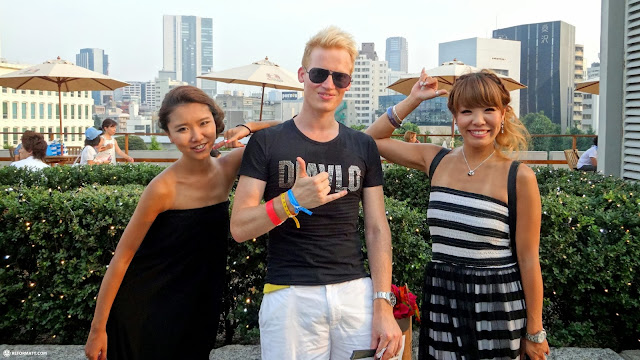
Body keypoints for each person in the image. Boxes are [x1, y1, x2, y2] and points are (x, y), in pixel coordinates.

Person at [230, 26, 402, 360]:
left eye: (341, 78)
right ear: (302, 75)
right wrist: (290, 201)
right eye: (320, 73)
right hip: (290, 296)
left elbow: (377, 227)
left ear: (349, 84)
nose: (329, 85)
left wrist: (383, 302)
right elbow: (239, 227)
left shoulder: (362, 145)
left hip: (355, 293)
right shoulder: (267, 143)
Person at [84, 85, 280, 360]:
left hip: (200, 304)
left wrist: (247, 127)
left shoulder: (227, 167)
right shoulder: (163, 188)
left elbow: (286, 131)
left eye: (204, 123)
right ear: (169, 135)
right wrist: (98, 329)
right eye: (183, 129)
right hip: (147, 308)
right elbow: (123, 258)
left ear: (216, 122)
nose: (197, 136)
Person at [365, 69, 550, 360]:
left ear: (503, 114)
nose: (478, 120)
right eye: (467, 111)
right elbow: (369, 141)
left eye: (489, 109)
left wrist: (535, 331)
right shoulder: (435, 159)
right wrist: (413, 100)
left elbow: (528, 259)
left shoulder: (519, 177)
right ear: (455, 116)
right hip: (443, 298)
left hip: (497, 303)